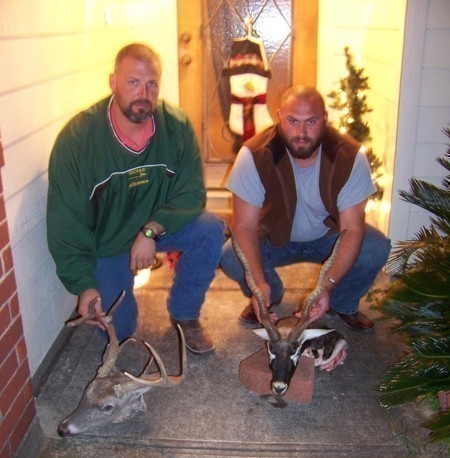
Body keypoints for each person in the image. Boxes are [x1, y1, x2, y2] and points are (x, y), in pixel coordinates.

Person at [47, 43, 225, 354]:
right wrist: (84, 285)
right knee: (122, 333)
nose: (143, 93)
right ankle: (117, 303)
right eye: (133, 82)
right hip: (108, 243)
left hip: (156, 227)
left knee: (210, 229)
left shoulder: (176, 127)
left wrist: (151, 230)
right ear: (113, 81)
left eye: (151, 83)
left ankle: (185, 313)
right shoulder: (77, 141)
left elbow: (192, 193)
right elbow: (67, 224)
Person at [220, 85, 391, 331]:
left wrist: (326, 286)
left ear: (325, 119)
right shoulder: (254, 155)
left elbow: (352, 230)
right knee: (230, 256)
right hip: (274, 238)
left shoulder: (350, 156)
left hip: (329, 239)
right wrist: (258, 282)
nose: (301, 132)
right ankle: (269, 295)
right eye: (292, 121)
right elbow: (244, 226)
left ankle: (341, 303)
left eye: (310, 121)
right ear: (279, 117)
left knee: (375, 248)